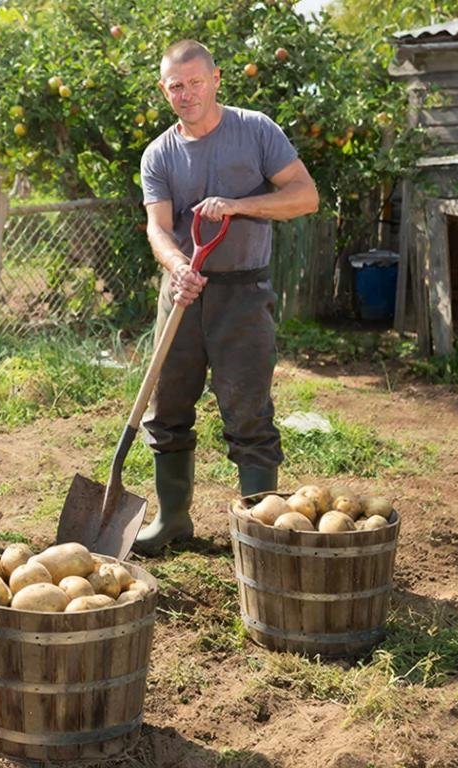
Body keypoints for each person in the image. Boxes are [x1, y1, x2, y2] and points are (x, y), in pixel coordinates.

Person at [134, 40, 319, 554]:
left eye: (195, 82)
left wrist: (239, 206)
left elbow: (304, 196)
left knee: (247, 410)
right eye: (176, 86)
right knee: (166, 407)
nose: (186, 93)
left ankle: (260, 531)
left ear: (216, 79)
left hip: (243, 292)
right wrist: (176, 269)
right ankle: (173, 522)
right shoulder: (159, 154)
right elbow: (157, 226)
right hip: (183, 296)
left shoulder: (256, 130)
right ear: (164, 90)